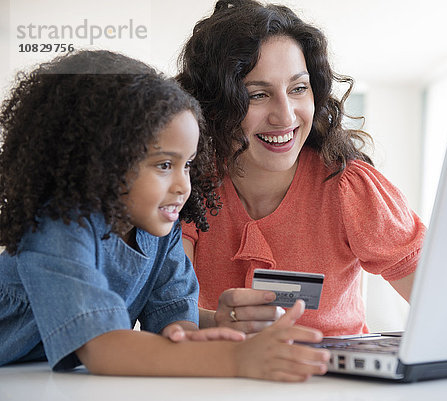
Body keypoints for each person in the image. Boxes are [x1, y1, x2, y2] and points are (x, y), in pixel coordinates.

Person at [0, 50, 329, 382]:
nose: (182, 185)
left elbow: (174, 321)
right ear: (98, 164)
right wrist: (234, 358)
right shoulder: (60, 227)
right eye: (163, 165)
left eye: (187, 165)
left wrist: (204, 332)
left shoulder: (161, 231)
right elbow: (103, 348)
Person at [177, 0, 427, 336]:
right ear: (215, 105)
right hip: (228, 378)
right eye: (257, 95)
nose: (286, 116)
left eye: (298, 89)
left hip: (336, 383)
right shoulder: (187, 185)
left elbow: (442, 304)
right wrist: (217, 320)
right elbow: (170, 313)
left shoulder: (348, 187)